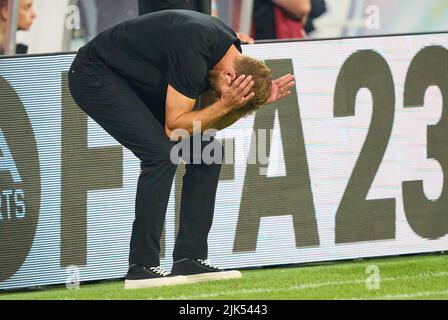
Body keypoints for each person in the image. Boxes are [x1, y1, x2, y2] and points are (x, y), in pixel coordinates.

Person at [68, 10, 294, 289]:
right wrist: (226, 104)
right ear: (230, 75)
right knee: (161, 154)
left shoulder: (230, 54)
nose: (223, 98)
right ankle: (142, 266)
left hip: (134, 80)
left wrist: (245, 104)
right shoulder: (195, 52)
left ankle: (190, 258)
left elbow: (204, 126)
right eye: (228, 94)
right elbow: (175, 127)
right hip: (95, 73)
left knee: (208, 153)